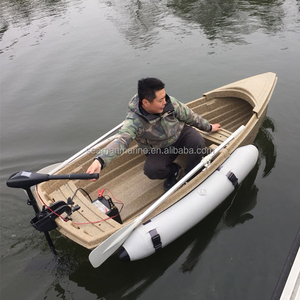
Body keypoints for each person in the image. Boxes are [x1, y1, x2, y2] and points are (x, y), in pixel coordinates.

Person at [87, 78, 221, 191]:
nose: (165, 102)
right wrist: (100, 160)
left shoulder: (169, 102)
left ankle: (191, 174)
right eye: (160, 100)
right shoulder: (134, 121)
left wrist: (208, 127)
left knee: (197, 142)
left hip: (179, 133)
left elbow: (189, 115)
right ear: (145, 102)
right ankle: (174, 170)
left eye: (164, 97)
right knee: (152, 170)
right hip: (159, 147)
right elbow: (122, 139)